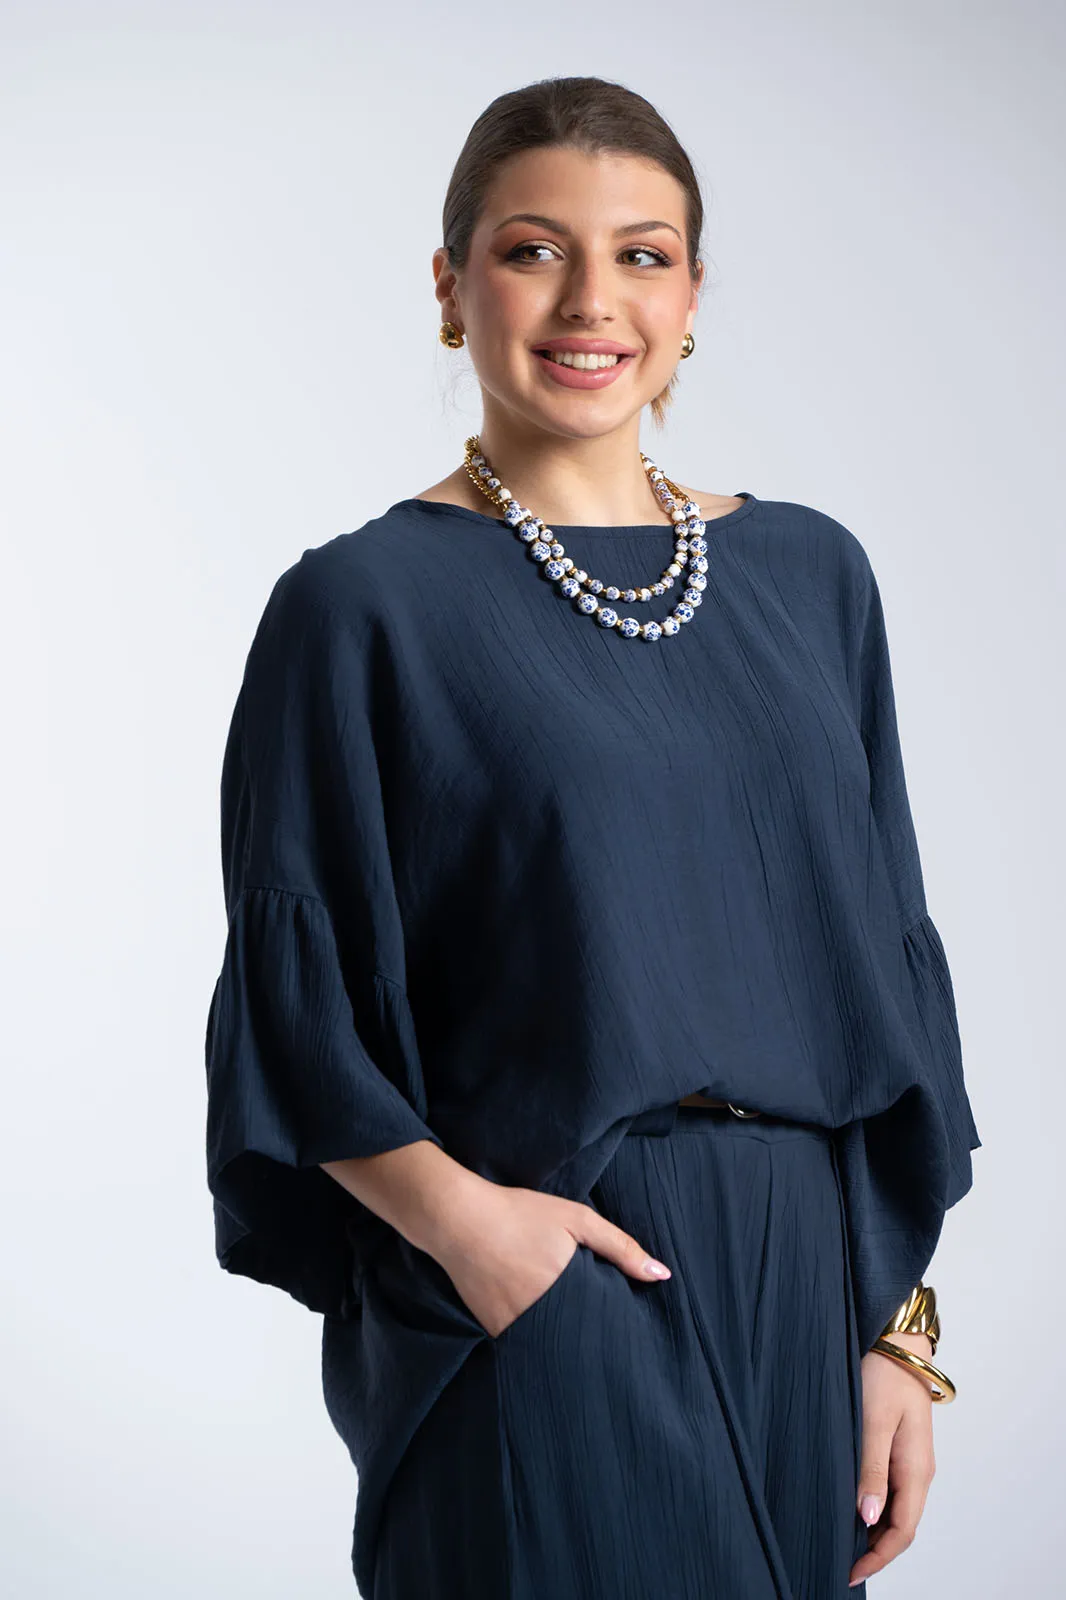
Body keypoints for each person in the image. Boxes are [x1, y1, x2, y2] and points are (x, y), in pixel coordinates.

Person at [203, 75, 981, 1599]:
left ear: (690, 296)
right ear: (451, 287)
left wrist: (897, 1328)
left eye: (640, 254)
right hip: (541, 1258)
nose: (589, 301)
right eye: (530, 250)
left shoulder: (812, 578)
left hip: (808, 1271)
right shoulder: (359, 608)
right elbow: (295, 1008)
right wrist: (475, 1239)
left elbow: (882, 970)